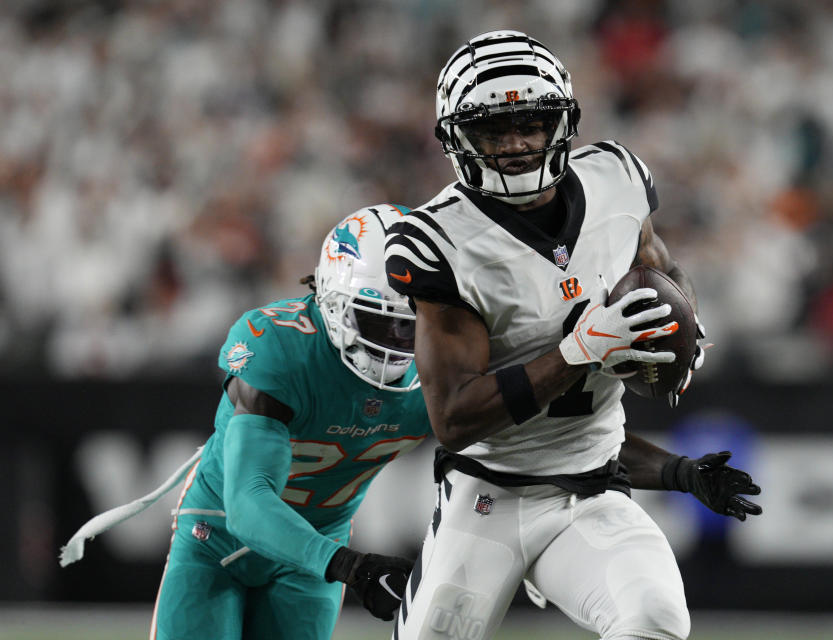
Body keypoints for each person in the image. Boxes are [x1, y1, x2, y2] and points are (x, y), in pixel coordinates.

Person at [383, 31, 761, 640]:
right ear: (457, 138)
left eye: (530, 124)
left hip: (592, 493)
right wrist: (579, 351)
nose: (514, 145)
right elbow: (453, 418)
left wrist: (680, 314)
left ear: (562, 125)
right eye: (492, 131)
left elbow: (655, 266)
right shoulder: (442, 242)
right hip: (486, 500)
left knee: (656, 619)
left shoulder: (616, 181)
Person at [61, 204, 431, 640]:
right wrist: (349, 566)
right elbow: (248, 504)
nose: (396, 342)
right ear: (332, 297)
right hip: (218, 538)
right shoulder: (281, 346)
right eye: (377, 321)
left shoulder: (441, 370)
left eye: (411, 324)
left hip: (313, 547)